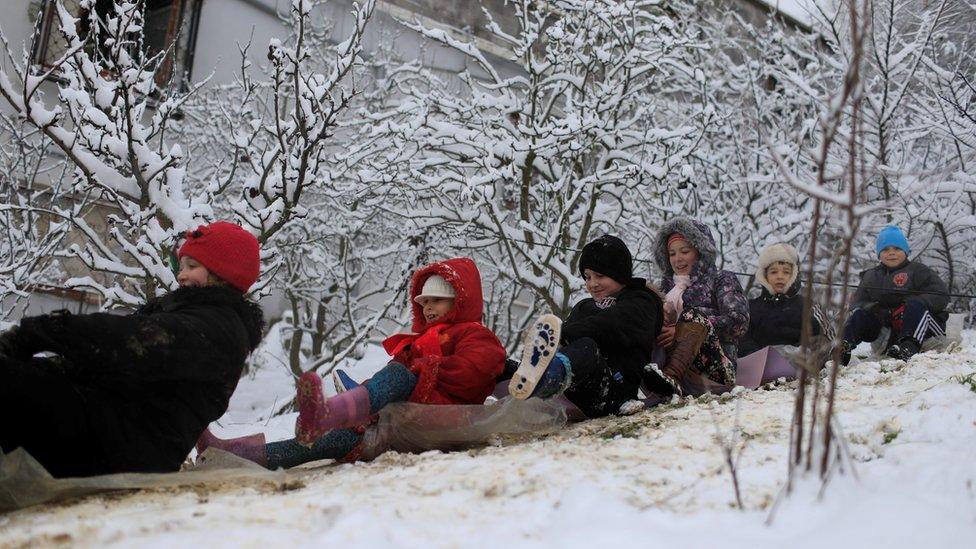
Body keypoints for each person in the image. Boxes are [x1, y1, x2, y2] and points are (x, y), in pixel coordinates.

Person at [0, 221, 264, 477]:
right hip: (111, 431)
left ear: (223, 275)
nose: (181, 274)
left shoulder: (218, 329)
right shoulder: (200, 317)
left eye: (192, 266)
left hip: (122, 450)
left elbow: (130, 343)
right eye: (181, 266)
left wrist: (42, 331)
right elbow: (106, 364)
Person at [196, 257, 507, 468]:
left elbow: (477, 372)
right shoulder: (420, 341)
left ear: (461, 300)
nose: (427, 309)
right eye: (423, 303)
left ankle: (332, 412)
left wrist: (423, 367)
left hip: (441, 417)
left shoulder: (474, 334)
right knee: (324, 444)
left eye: (436, 301)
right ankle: (231, 454)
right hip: (404, 420)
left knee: (399, 374)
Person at [507, 235, 664, 417]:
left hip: (614, 391)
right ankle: (527, 377)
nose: (592, 284)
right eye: (587, 277)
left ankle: (543, 380)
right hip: (576, 387)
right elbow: (568, 343)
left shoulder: (641, 301)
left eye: (600, 276)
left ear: (619, 274)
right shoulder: (585, 306)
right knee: (503, 365)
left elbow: (611, 324)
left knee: (586, 347)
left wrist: (561, 333)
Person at [646, 218, 749, 397]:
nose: (677, 259)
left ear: (700, 252)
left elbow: (738, 322)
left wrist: (680, 331)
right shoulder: (664, 289)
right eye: (672, 253)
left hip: (715, 370)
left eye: (684, 251)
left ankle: (671, 377)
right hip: (664, 364)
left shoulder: (721, 280)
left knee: (692, 315)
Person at [839, 226, 949, 364]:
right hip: (889, 336)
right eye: (885, 249)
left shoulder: (918, 270)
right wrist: (882, 312)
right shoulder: (871, 276)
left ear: (906, 251)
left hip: (928, 331)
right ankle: (842, 348)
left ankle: (909, 348)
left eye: (897, 249)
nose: (891, 253)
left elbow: (941, 295)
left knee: (914, 305)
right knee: (860, 314)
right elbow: (858, 303)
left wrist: (908, 306)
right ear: (879, 254)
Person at [738, 243, 833, 357]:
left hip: (804, 367)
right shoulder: (751, 308)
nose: (780, 276)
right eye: (773, 272)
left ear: (794, 275)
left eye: (786, 272)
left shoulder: (807, 305)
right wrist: (758, 356)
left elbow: (828, 338)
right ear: (764, 276)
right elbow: (743, 339)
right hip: (763, 367)